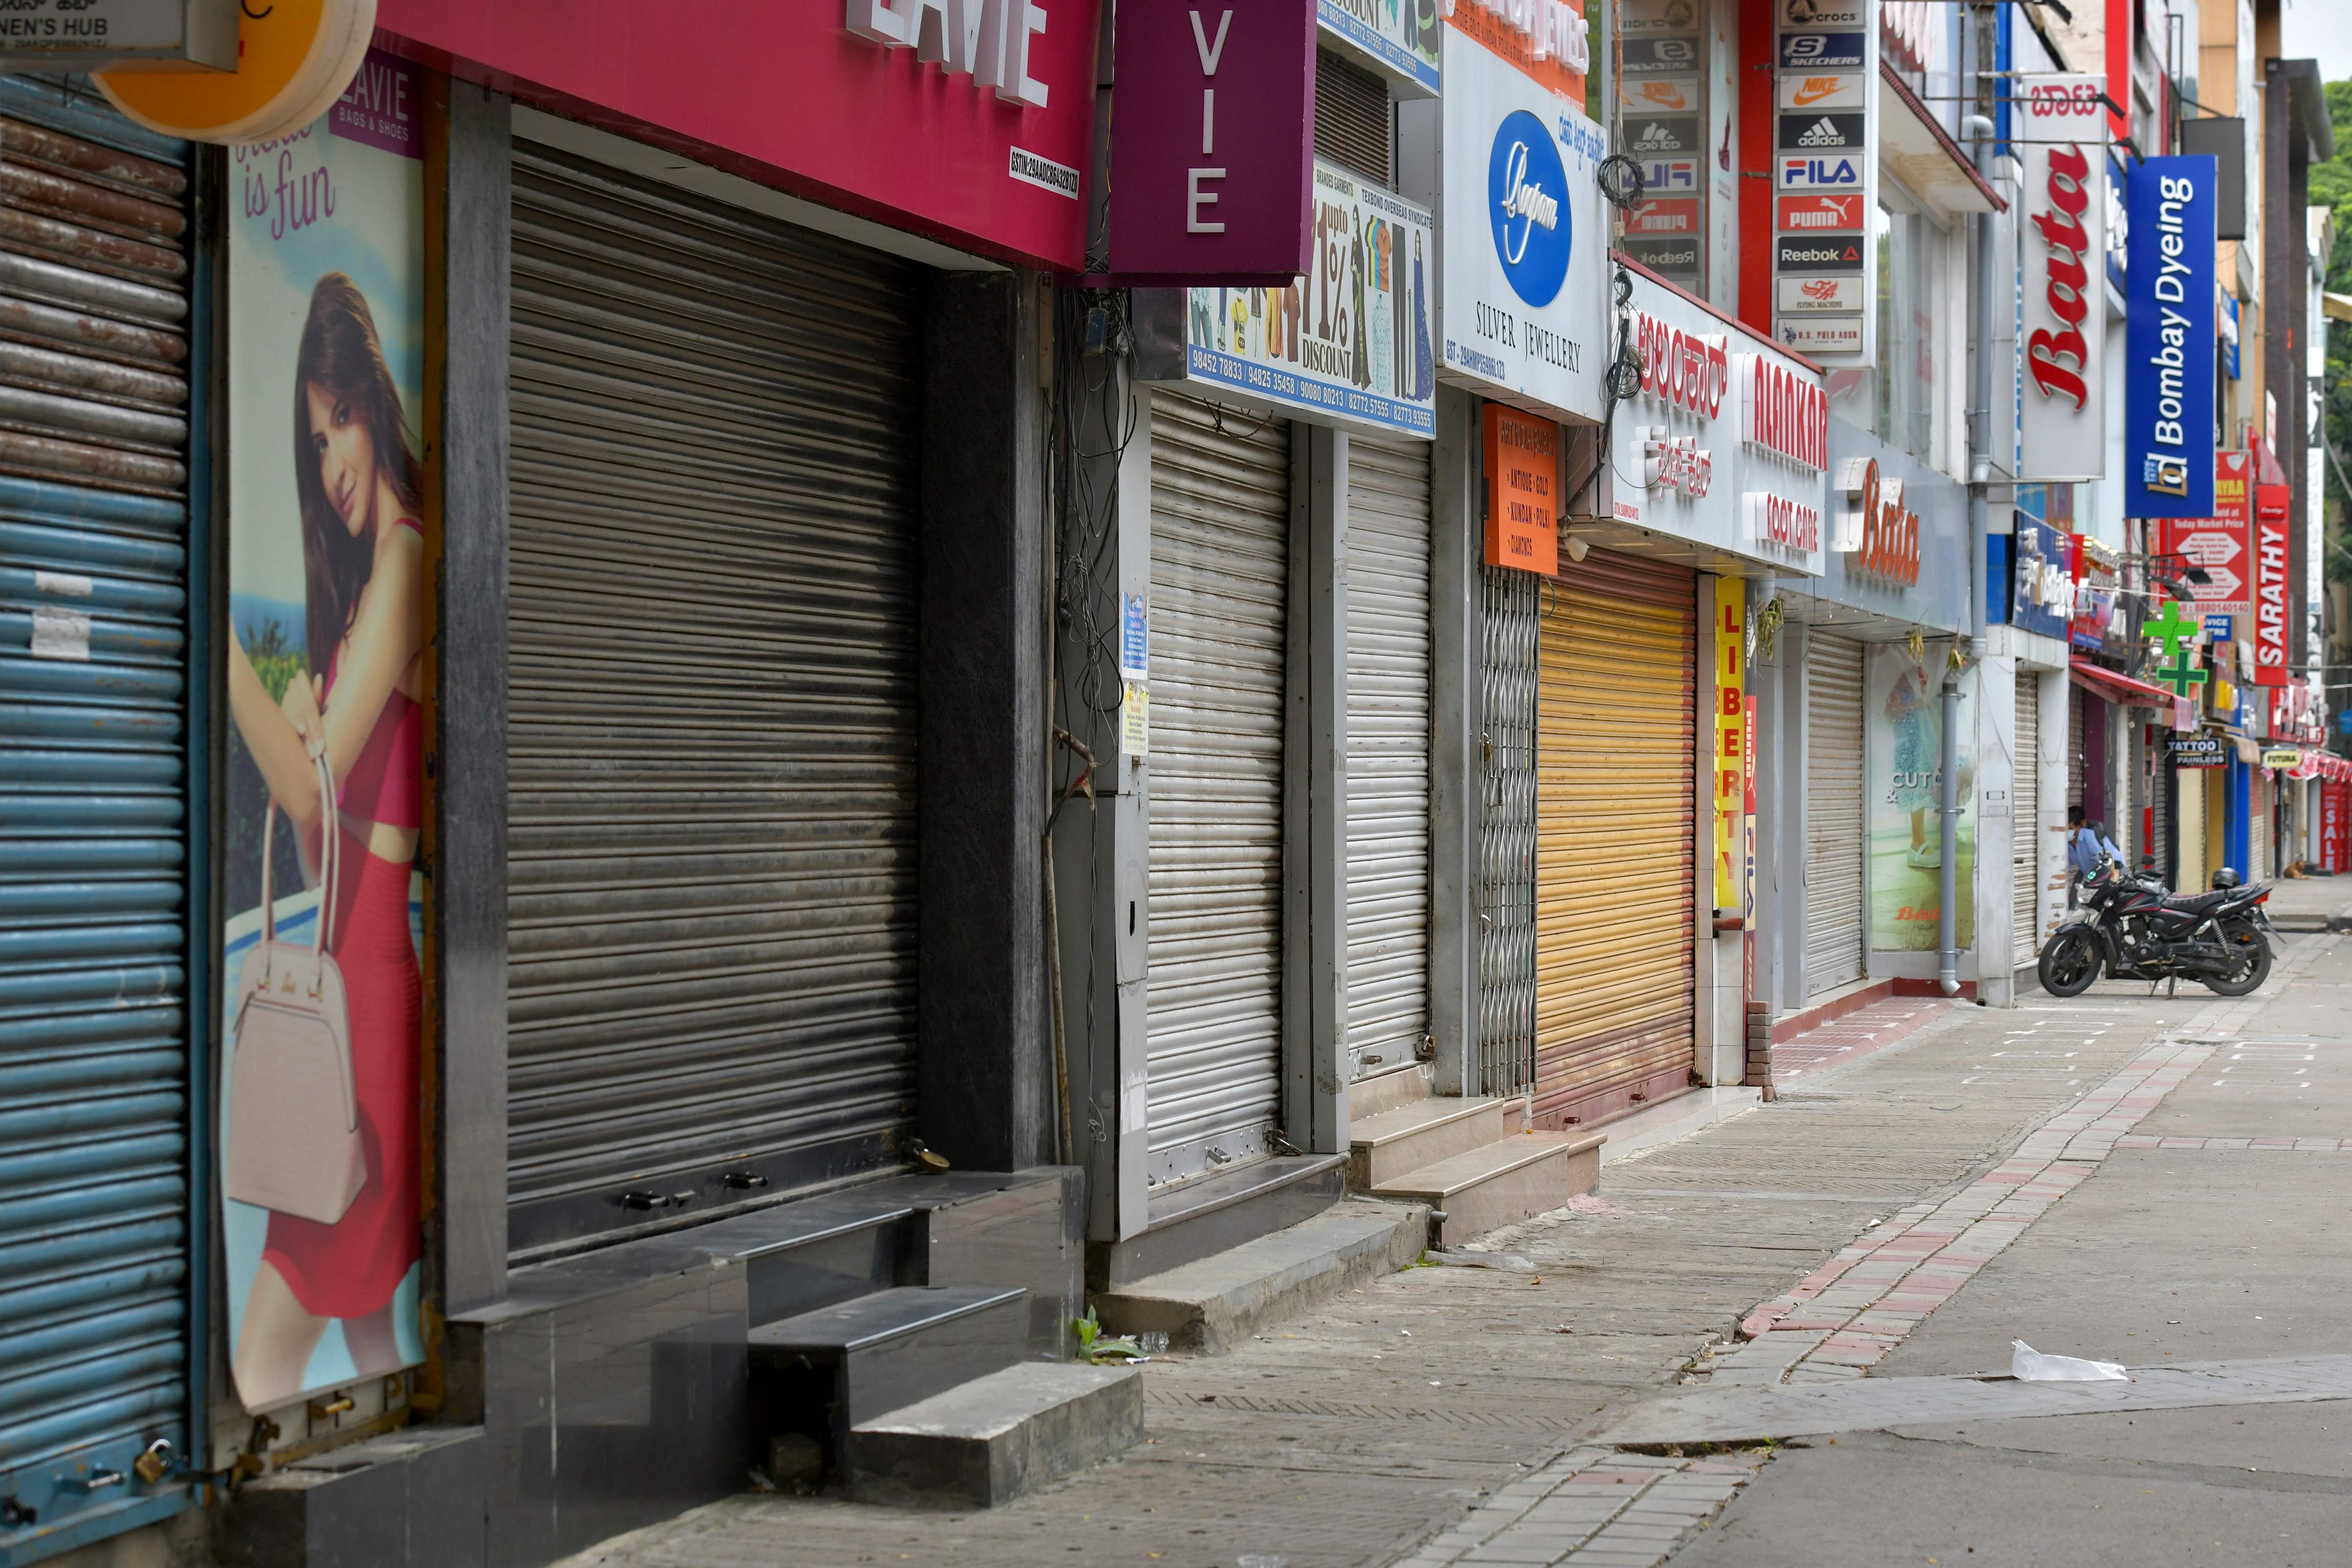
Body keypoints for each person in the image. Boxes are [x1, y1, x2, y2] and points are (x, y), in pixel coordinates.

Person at [224, 273, 423, 1410]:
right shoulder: (360, 597)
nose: (329, 458)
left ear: (374, 405)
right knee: (362, 1346)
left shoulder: (401, 564)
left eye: (339, 419)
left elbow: (306, 786)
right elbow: (317, 829)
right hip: (339, 1010)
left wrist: (230, 657)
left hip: (361, 1023)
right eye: (314, 436)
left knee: (267, 1360)